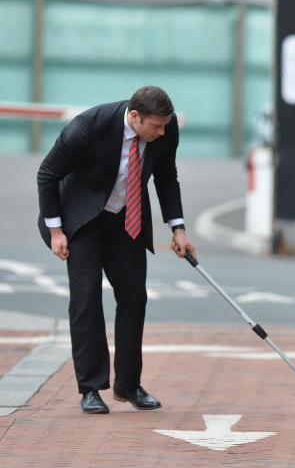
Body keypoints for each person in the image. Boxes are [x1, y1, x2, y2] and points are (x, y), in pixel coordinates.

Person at [36, 86, 197, 414]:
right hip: (81, 220)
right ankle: (91, 387)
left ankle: (128, 385)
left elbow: (167, 177)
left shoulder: (165, 127)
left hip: (128, 218)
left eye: (165, 125)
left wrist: (178, 228)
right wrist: (56, 232)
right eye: (156, 126)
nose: (162, 132)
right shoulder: (89, 126)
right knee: (86, 297)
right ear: (135, 117)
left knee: (135, 296)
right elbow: (47, 175)